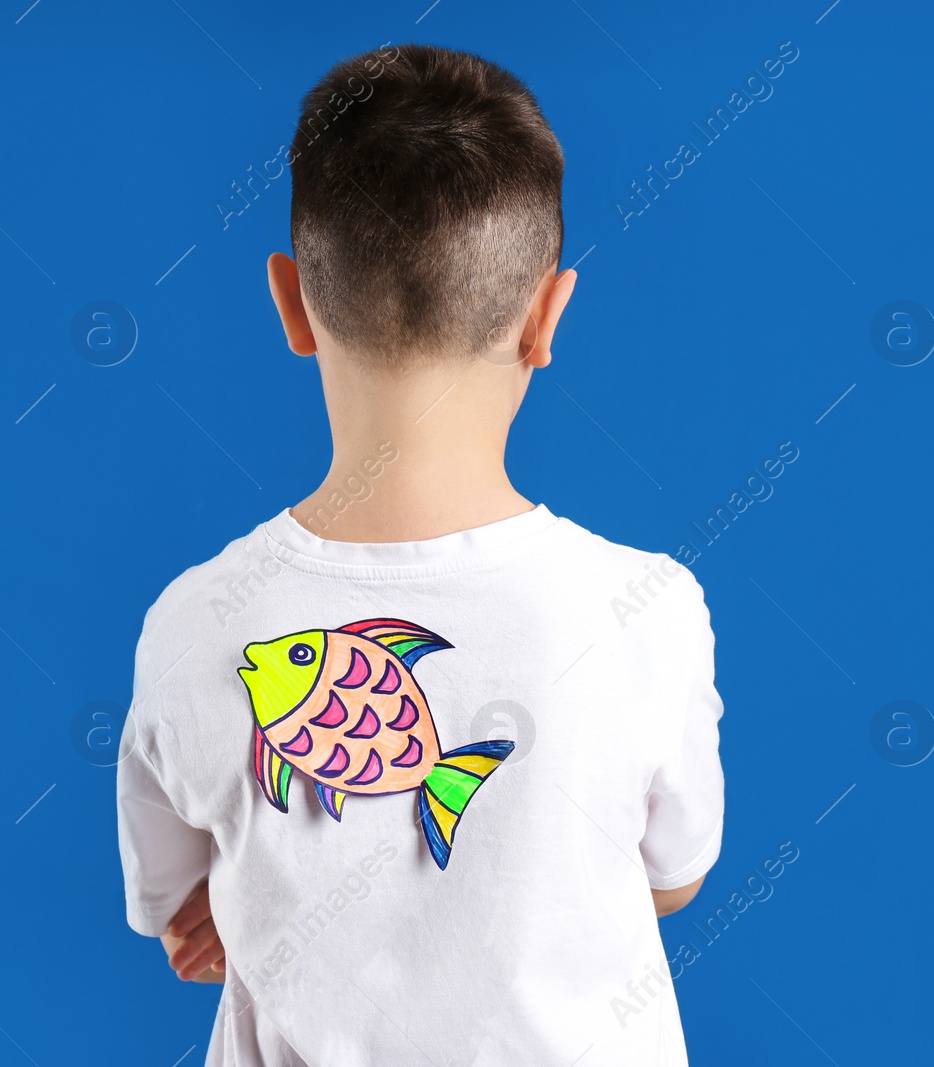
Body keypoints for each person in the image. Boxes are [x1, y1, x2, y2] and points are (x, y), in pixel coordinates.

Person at [116, 43, 724, 1066]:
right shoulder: (645, 607)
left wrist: (270, 894)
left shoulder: (195, 619)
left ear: (292, 303)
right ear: (545, 313)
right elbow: (670, 872)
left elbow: (175, 898)